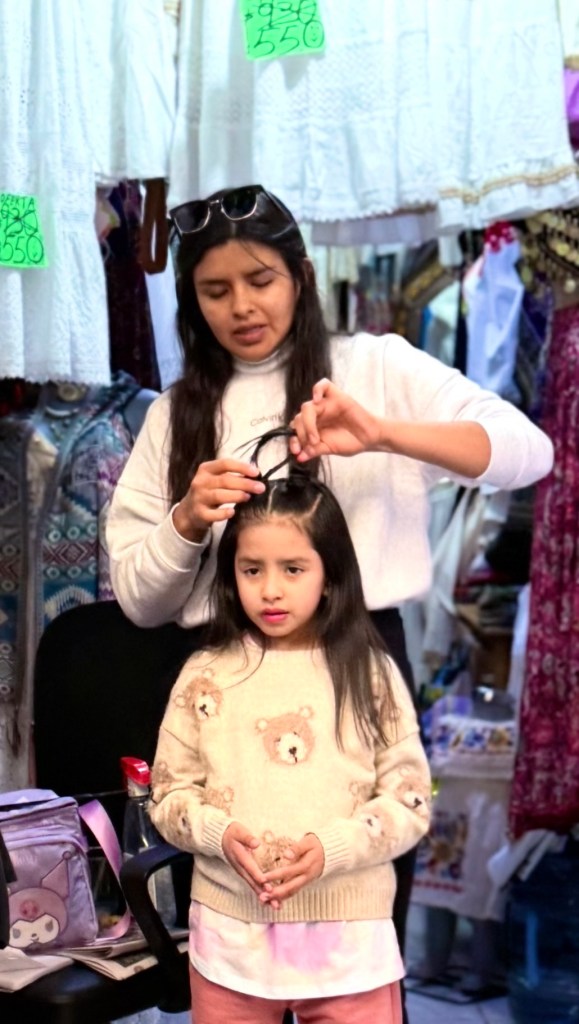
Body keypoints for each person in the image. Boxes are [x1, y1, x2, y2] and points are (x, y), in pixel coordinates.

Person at [105, 184, 554, 1018]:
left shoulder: (374, 367)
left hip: (358, 666)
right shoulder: (176, 414)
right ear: (191, 300)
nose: (242, 307)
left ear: (301, 277)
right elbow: (137, 599)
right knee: (233, 942)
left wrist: (381, 433)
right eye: (214, 290)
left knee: (358, 943)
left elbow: (528, 451)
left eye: (261, 280)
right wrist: (186, 520)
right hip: (225, 686)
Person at [148, 457, 432, 1024]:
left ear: (330, 573)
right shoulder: (205, 675)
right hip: (230, 941)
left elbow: (411, 801)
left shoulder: (370, 672)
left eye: (294, 569)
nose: (271, 590)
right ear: (231, 573)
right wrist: (216, 832)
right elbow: (168, 794)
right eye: (252, 570)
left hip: (349, 945)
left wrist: (335, 847)